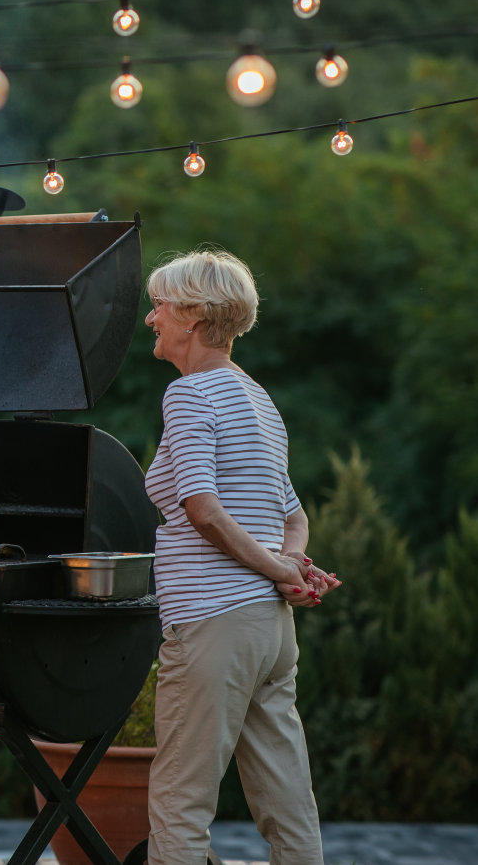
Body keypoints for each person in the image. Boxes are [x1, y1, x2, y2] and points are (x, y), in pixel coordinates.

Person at [140, 248, 340, 865]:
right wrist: (294, 566)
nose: (151, 319)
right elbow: (292, 515)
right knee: (288, 802)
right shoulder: (258, 399)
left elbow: (201, 507)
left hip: (213, 624)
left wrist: (284, 569)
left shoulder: (191, 394)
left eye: (160, 305)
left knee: (179, 802)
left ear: (196, 317)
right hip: (268, 633)